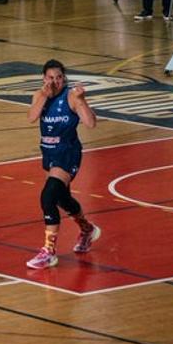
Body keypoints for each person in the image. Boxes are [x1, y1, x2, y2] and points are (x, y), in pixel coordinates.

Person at [25, 59, 100, 269]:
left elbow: (91, 123)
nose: (55, 81)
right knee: (62, 199)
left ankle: (48, 252)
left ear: (64, 78)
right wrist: (44, 97)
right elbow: (31, 117)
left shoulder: (71, 97)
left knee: (48, 196)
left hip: (67, 153)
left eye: (59, 77)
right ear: (44, 79)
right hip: (49, 154)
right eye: (51, 78)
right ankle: (87, 229)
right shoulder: (40, 96)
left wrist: (82, 100)